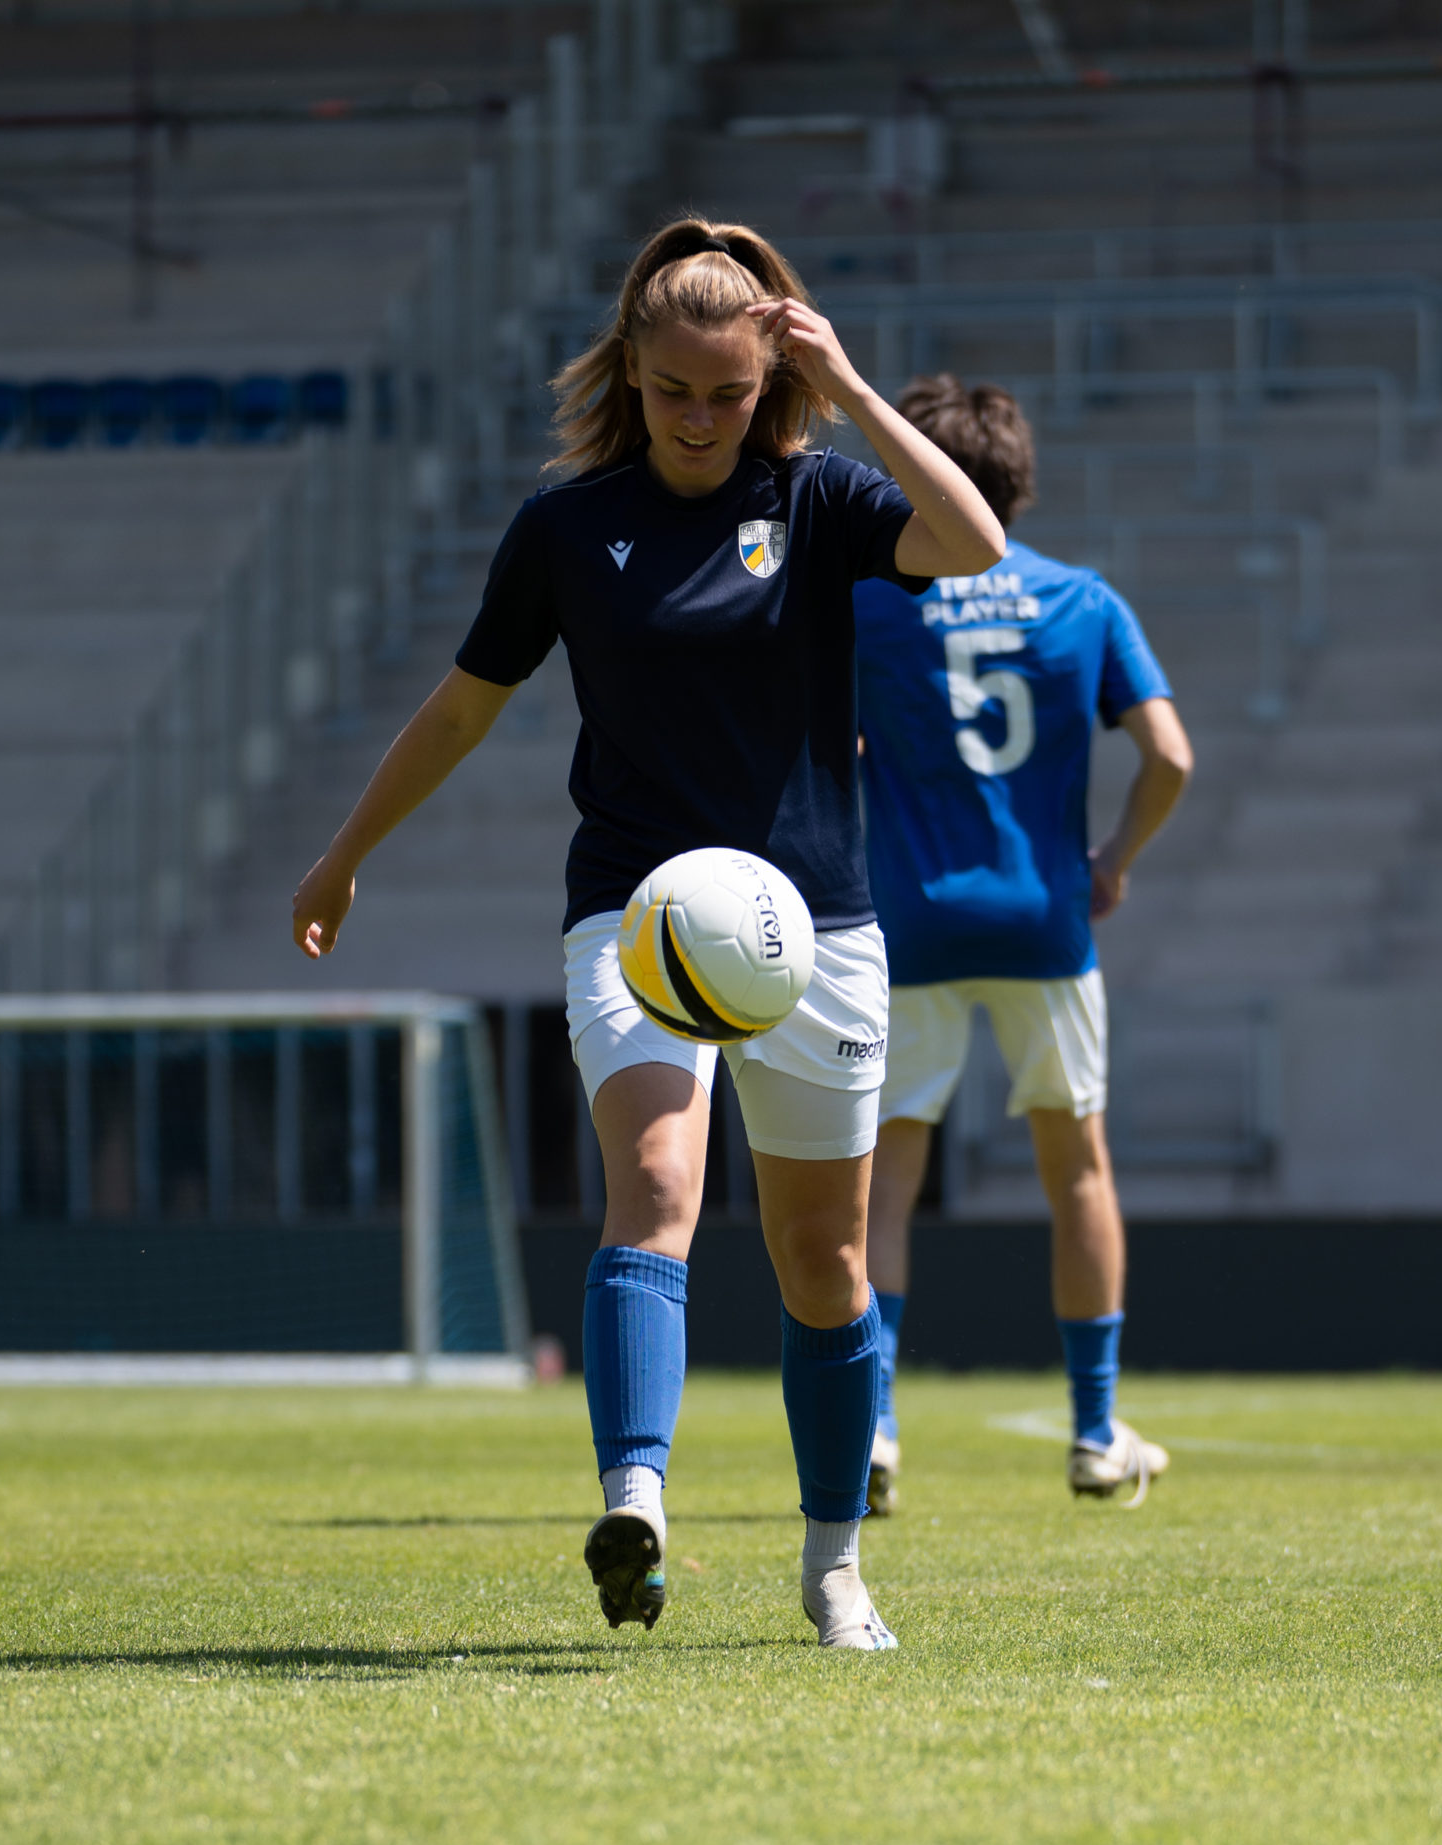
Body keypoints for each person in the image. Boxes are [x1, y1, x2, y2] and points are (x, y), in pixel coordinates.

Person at [289, 220, 1006, 1649]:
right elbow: (460, 710)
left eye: (728, 393)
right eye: (673, 388)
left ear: (768, 381)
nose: (697, 416)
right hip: (637, 917)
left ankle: (833, 1568)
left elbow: (974, 542)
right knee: (659, 1186)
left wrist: (848, 387)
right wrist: (343, 854)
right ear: (629, 367)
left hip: (815, 927)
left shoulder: (819, 500)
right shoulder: (565, 528)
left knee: (826, 1262)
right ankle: (636, 1504)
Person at [852, 375, 1193, 1513]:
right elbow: (1171, 756)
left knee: (884, 1186)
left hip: (906, 920)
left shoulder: (872, 602)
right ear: (1017, 478)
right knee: (1077, 1171)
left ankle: (874, 1430)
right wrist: (1115, 860)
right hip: (1044, 918)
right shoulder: (1080, 600)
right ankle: (1094, 1433)